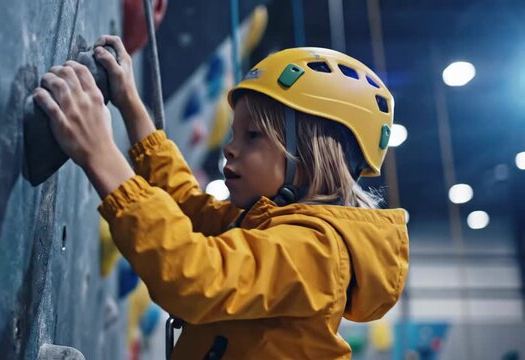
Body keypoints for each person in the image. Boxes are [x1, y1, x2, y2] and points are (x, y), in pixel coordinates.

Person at [33, 35, 409, 359]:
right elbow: (187, 203)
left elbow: (194, 277)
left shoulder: (318, 253)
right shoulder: (262, 223)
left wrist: (100, 153)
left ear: (309, 158)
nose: (230, 149)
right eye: (233, 134)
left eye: (253, 135)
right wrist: (131, 106)